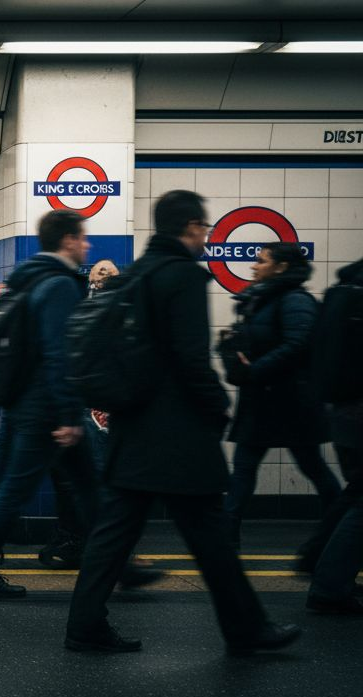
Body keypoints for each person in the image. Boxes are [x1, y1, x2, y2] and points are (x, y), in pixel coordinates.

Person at [65, 190, 301, 654]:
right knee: (210, 537)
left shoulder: (135, 277)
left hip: (132, 428)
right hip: (177, 432)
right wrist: (217, 409)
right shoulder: (183, 278)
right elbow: (191, 360)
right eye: (205, 228)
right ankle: (246, 629)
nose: (207, 236)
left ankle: (85, 626)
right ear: (191, 226)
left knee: (112, 537)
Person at [0, 210, 94, 597]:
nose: (86, 245)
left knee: (14, 487)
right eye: (83, 238)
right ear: (67, 240)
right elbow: (58, 354)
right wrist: (69, 415)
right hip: (47, 411)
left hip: (19, 405)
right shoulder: (60, 285)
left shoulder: (26, 278)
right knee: (14, 492)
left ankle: (120, 564)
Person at [219, 242, 338, 550]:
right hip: (265, 401)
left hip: (291, 402)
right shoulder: (263, 299)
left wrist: (255, 369)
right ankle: (226, 538)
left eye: (261, 261)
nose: (254, 266)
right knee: (246, 468)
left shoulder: (295, 300)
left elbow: (299, 343)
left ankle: (341, 527)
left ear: (281, 267)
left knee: (311, 467)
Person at [307, 258, 363, 615]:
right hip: (358, 411)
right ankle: (328, 583)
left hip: (341, 411)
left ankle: (319, 563)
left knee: (354, 494)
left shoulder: (339, 293)